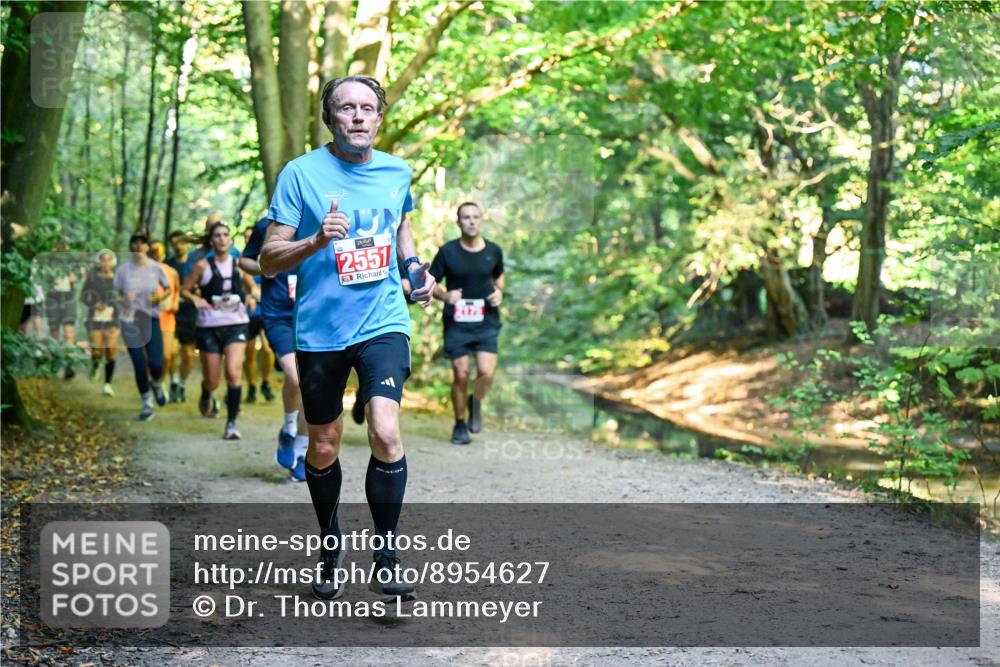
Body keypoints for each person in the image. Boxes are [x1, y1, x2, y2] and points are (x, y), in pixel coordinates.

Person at [260, 75, 436, 601]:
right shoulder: (300, 175)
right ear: (330, 118)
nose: (357, 117)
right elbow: (270, 258)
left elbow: (400, 223)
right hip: (319, 329)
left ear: (379, 118)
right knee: (324, 443)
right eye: (346, 109)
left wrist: (412, 267)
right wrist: (316, 240)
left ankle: (386, 553)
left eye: (366, 108)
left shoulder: (397, 171)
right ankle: (330, 539)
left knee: (384, 429)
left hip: (383, 319)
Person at [429, 202, 505, 445]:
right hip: (457, 323)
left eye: (475, 217)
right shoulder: (447, 252)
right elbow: (431, 283)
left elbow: (499, 277)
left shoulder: (494, 251)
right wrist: (445, 296)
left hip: (486, 321)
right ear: (458, 222)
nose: (471, 221)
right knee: (461, 373)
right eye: (466, 217)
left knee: (486, 373)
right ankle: (460, 424)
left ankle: (476, 402)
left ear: (482, 220)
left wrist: (499, 293)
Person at [240, 216, 308, 481]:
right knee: (295, 376)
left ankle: (302, 453)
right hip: (278, 314)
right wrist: (263, 266)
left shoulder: (319, 218)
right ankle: (289, 429)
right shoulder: (265, 225)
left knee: (311, 385)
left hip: (313, 313)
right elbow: (244, 260)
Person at [181, 221, 255, 440]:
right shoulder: (202, 266)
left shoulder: (240, 264)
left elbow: (253, 287)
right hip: (209, 326)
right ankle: (207, 393)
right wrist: (196, 299)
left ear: (230, 239)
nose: (222, 239)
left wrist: (252, 296)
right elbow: (185, 290)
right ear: (211, 241)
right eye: (217, 236)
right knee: (213, 380)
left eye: (225, 235)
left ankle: (231, 423)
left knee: (233, 373)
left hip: (236, 324)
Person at [114, 233, 171, 421]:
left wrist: (159, 297)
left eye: (142, 243)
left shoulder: (156, 268)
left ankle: (156, 383)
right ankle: (146, 402)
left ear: (147, 247)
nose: (138, 246)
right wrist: (124, 299)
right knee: (139, 362)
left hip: (151, 319)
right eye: (134, 243)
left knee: (156, 362)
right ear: (130, 246)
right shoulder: (123, 271)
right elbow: (116, 296)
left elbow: (168, 288)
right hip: (129, 320)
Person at [81, 250, 119, 396]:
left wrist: (113, 303)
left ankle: (107, 384)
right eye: (103, 260)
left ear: (113, 262)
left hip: (112, 319)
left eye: (108, 260)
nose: (106, 263)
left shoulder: (117, 279)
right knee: (97, 351)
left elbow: (123, 298)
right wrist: (94, 304)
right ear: (99, 262)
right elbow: (83, 297)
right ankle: (96, 364)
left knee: (110, 351)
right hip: (95, 319)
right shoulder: (92, 278)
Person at [166, 230, 195, 402]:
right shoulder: (167, 265)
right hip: (172, 313)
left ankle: (182, 384)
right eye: (175, 243)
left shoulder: (195, 264)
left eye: (181, 242)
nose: (178, 246)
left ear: (187, 244)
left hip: (191, 313)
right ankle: (173, 381)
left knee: (188, 354)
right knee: (171, 352)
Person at [149, 242, 181, 401]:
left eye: (159, 251)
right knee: (151, 356)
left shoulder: (171, 271)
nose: (156, 253)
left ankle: (160, 382)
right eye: (153, 251)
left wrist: (175, 302)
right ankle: (154, 381)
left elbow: (176, 289)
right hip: (149, 317)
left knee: (167, 355)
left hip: (167, 317)